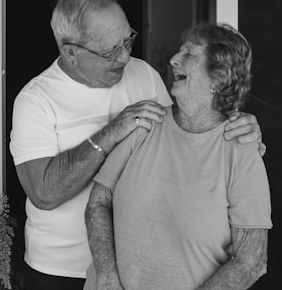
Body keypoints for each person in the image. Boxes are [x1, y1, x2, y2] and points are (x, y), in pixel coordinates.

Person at [9, 0, 262, 290]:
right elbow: (44, 194)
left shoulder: (143, 75)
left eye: (127, 40)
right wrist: (111, 133)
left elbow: (185, 131)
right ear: (71, 52)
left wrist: (236, 128)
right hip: (62, 268)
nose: (125, 56)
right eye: (109, 51)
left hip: (136, 269)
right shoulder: (36, 99)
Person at [85, 22, 272, 290]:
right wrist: (107, 279)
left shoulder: (240, 149)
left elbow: (251, 260)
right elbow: (98, 202)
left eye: (190, 53)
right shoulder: (146, 122)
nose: (174, 59)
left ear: (218, 78)